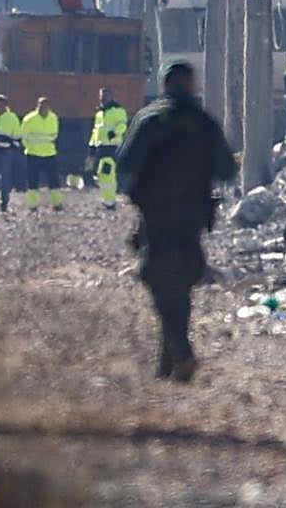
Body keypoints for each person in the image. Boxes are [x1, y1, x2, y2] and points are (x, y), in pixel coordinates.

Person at [117, 61, 237, 382]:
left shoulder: (149, 119)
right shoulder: (204, 123)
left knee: (160, 282)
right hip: (192, 217)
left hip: (157, 216)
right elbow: (227, 169)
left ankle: (181, 353)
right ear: (191, 84)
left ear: (165, 84)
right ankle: (169, 363)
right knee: (181, 284)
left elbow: (126, 163)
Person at [88, 87, 130, 209]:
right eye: (101, 96)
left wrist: (115, 133)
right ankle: (108, 199)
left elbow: (122, 125)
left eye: (105, 96)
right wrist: (92, 145)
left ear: (111, 96)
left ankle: (110, 201)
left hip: (112, 146)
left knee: (107, 172)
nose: (102, 98)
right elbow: (96, 130)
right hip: (101, 146)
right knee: (101, 174)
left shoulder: (118, 110)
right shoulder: (99, 112)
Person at [20, 97, 63, 212]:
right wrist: (29, 147)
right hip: (33, 154)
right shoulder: (29, 119)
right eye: (41, 105)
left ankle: (57, 204)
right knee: (32, 181)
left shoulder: (53, 117)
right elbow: (24, 136)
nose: (43, 108)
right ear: (37, 106)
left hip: (50, 153)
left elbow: (55, 134)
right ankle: (33, 205)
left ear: (49, 107)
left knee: (54, 181)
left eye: (46, 106)